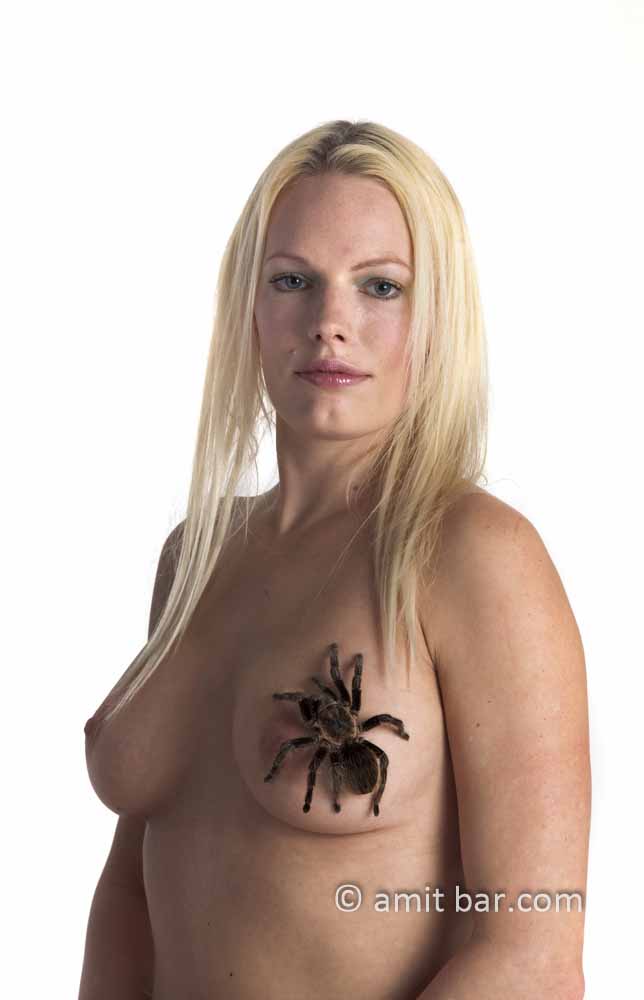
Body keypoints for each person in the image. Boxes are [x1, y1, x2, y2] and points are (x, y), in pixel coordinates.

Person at [78, 119, 591, 1000]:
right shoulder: (195, 555)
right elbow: (134, 888)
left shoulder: (472, 556)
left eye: (380, 286)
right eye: (292, 280)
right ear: (248, 306)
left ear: (436, 317)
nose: (329, 324)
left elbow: (531, 958)